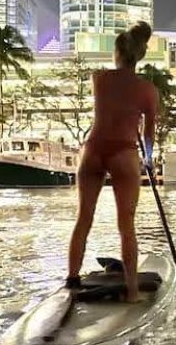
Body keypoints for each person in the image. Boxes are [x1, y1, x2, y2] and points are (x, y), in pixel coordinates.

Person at [66, 22, 158, 301]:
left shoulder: (99, 78)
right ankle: (131, 292)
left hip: (92, 150)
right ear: (140, 55)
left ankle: (71, 279)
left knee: (84, 217)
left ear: (117, 52)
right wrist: (150, 158)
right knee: (126, 224)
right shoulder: (149, 91)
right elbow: (149, 133)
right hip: (123, 153)